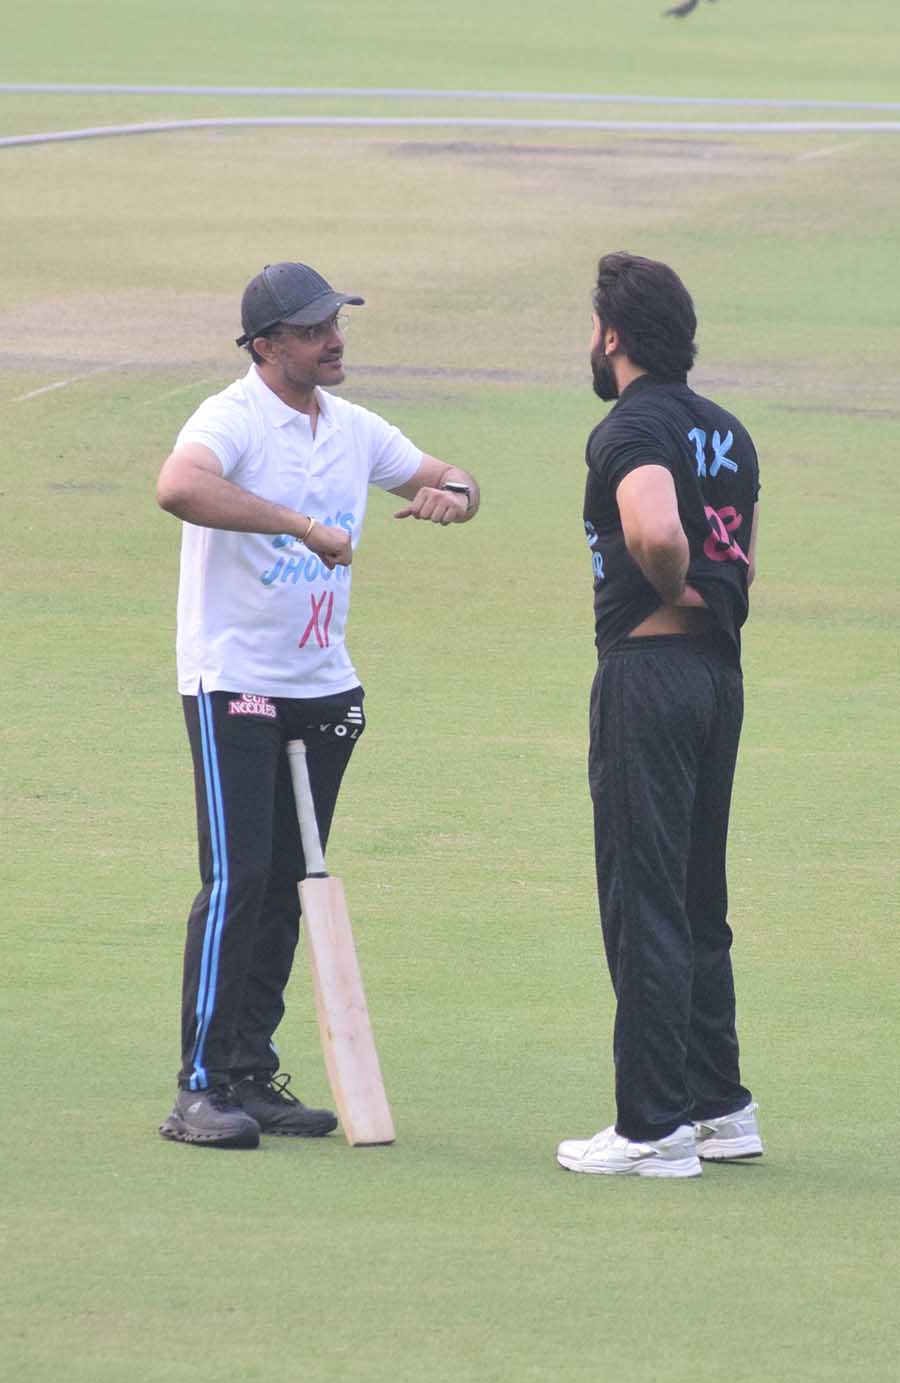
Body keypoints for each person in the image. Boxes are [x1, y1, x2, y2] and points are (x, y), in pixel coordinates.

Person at [156, 261, 479, 1149]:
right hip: (235, 682)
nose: (332, 340)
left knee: (293, 888)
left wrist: (455, 495)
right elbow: (178, 486)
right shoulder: (229, 417)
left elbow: (449, 473)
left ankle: (251, 1075)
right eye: (310, 330)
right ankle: (197, 1087)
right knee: (237, 881)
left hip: (326, 688)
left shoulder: (354, 427)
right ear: (266, 346)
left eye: (335, 324)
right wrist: (300, 525)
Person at [556, 252, 761, 1179]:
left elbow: (658, 529)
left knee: (643, 902)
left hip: (649, 669)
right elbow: (743, 557)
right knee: (695, 896)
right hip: (719, 678)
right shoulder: (727, 431)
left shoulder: (629, 424)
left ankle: (652, 1129)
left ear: (614, 337)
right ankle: (722, 1107)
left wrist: (666, 589)